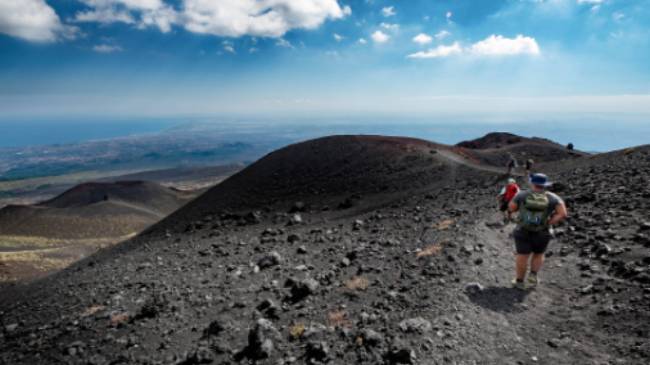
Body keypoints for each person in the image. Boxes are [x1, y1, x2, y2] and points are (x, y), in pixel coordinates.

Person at [508, 173, 568, 289]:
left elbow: (511, 208)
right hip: (542, 231)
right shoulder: (553, 197)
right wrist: (548, 223)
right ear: (545, 185)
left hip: (522, 230)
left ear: (532, 183)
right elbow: (563, 214)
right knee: (538, 254)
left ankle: (519, 281)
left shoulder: (522, 194)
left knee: (522, 255)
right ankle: (532, 277)